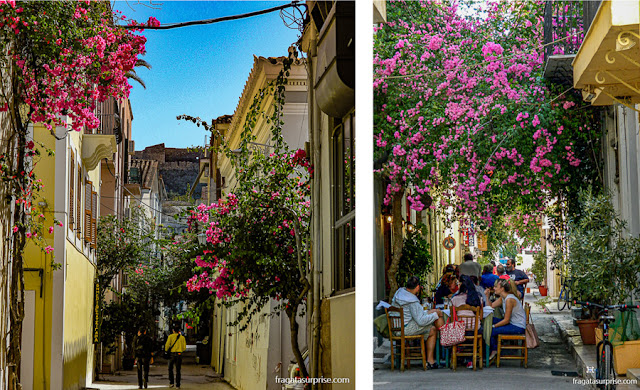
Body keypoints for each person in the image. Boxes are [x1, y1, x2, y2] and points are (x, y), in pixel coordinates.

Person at [391, 276, 445, 369]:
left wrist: (429, 312)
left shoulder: (399, 294)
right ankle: (438, 352)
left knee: (431, 329)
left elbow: (415, 314)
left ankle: (430, 361)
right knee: (433, 327)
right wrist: (435, 315)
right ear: (417, 287)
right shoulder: (412, 301)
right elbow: (421, 321)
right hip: (406, 329)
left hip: (397, 327)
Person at [485, 279, 526, 362]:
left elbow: (506, 320)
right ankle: (491, 349)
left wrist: (494, 326)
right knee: (490, 320)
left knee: (492, 331)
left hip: (517, 326)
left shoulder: (509, 299)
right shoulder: (503, 298)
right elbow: (491, 306)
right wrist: (487, 296)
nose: (494, 288)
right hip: (512, 323)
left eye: (496, 287)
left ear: (502, 289)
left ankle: (494, 351)